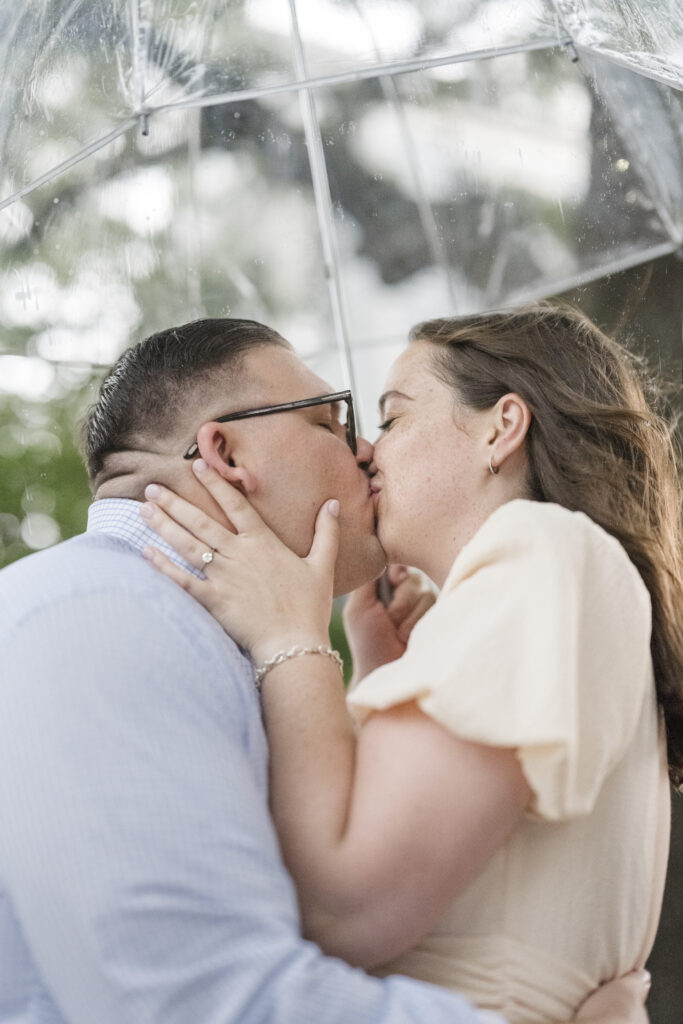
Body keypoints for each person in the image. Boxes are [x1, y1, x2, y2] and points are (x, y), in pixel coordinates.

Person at [0, 317, 649, 1024]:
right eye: (333, 422)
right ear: (224, 451)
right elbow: (209, 999)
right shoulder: (104, 614)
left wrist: (305, 643)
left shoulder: (536, 550)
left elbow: (337, 899)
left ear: (500, 430)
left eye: (388, 418)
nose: (366, 452)